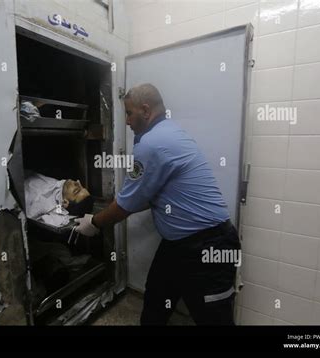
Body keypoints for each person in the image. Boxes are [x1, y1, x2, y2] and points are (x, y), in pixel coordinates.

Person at [74, 83, 241, 325]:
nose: (128, 122)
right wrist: (119, 206)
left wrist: (94, 223)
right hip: (178, 244)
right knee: (156, 301)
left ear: (145, 110)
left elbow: (126, 205)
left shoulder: (153, 143)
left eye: (129, 114)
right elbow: (143, 196)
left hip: (209, 245)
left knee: (215, 320)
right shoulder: (170, 132)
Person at [24, 171, 94, 227]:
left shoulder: (56, 207)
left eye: (76, 190)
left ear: (65, 202)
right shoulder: (61, 187)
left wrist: (59, 212)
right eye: (82, 186)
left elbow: (58, 210)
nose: (78, 182)